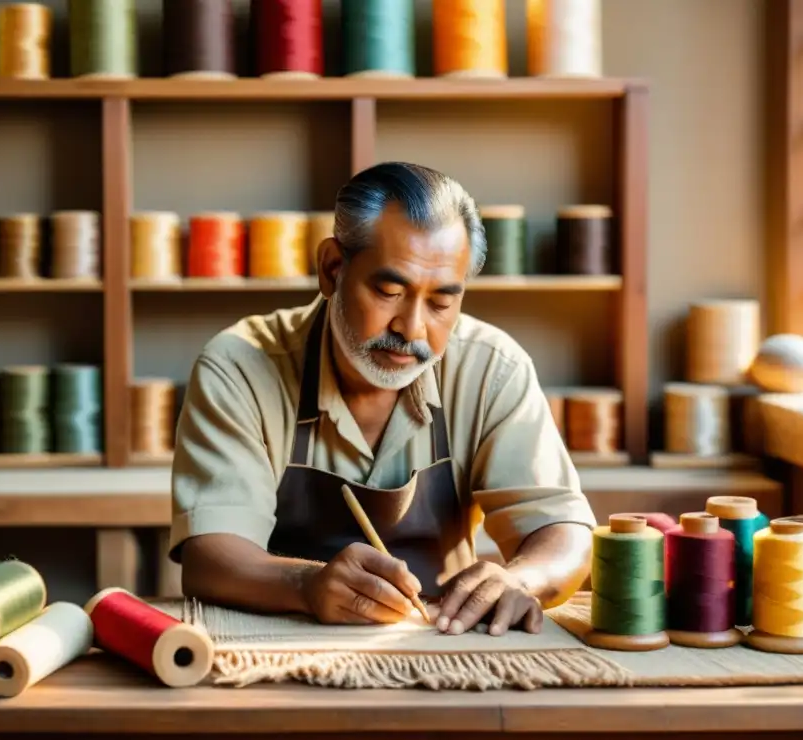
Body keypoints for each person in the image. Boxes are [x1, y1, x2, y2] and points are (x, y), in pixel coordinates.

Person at [170, 161, 596, 636]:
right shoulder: (240, 366)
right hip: (275, 645)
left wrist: (522, 578)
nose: (412, 329)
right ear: (332, 269)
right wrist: (305, 585)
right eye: (390, 291)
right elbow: (209, 557)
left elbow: (565, 532)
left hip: (445, 647)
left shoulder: (492, 368)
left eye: (440, 303)